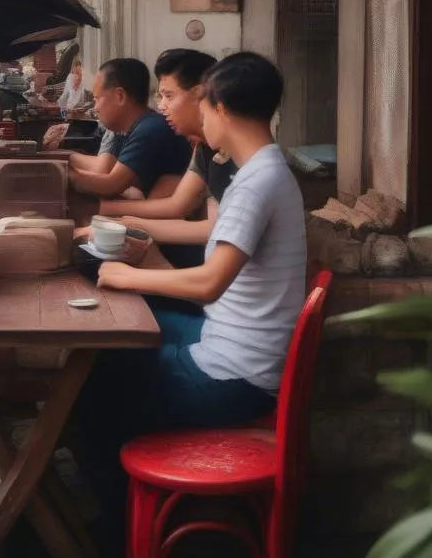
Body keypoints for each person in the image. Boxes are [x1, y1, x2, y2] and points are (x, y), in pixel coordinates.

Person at [71, 52, 306, 551]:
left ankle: (114, 533)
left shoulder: (255, 183)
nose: (198, 117)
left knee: (89, 396)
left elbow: (208, 285)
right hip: (230, 345)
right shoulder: (263, 170)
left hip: (233, 376)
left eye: (202, 104)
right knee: (113, 350)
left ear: (220, 108)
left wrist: (127, 275)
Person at [98, 49, 237, 268]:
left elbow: (213, 229)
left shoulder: (234, 153)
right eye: (160, 96)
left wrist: (126, 223)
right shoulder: (203, 147)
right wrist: (109, 214)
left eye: (169, 96)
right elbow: (177, 205)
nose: (161, 107)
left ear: (200, 95)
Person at [68, 57, 191, 199]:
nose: (95, 108)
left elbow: (111, 184)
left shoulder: (149, 129)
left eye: (97, 99)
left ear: (120, 96)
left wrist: (61, 171)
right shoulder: (133, 129)